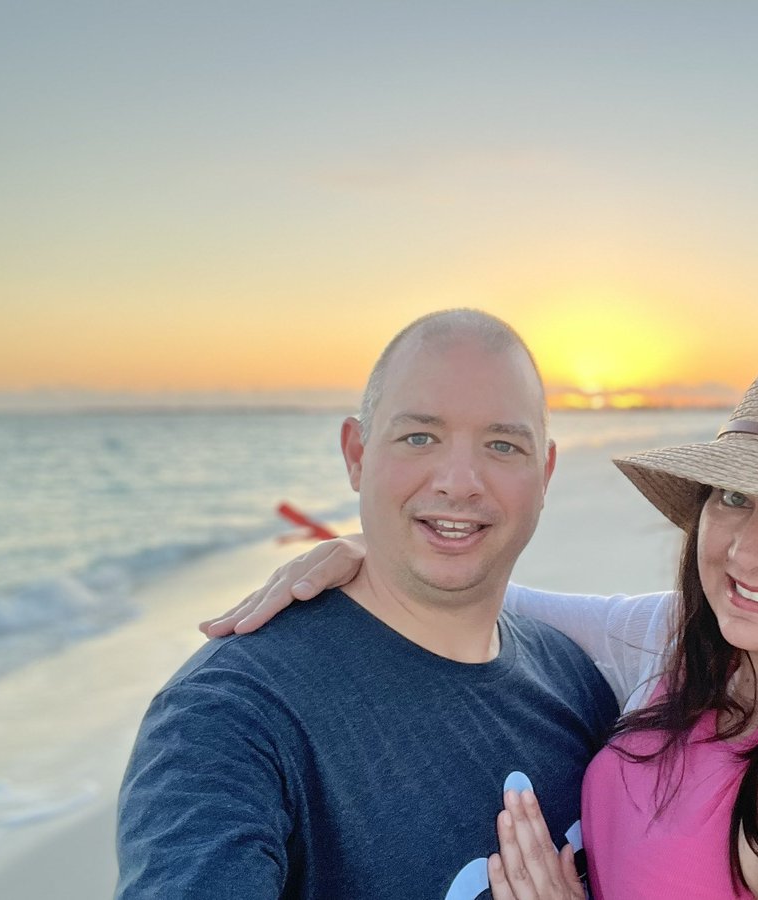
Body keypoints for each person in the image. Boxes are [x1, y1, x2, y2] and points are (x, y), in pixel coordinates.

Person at [208, 339, 758, 898]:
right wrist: (371, 554)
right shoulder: (694, 649)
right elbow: (493, 602)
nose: (749, 549)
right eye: (735, 497)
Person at [117, 309, 619, 899]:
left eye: (503, 445)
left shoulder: (575, 680)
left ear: (545, 472)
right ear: (356, 454)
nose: (459, 481)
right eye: (419, 438)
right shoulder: (231, 715)